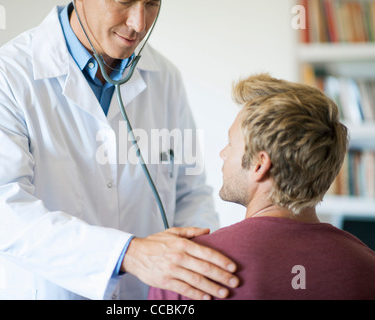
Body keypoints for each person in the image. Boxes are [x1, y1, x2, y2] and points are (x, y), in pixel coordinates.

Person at [0, 0, 239, 300]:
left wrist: (200, 271)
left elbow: (191, 192)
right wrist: (126, 254)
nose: (139, 24)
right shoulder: (4, 78)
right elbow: (2, 213)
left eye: (151, 3)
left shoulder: (164, 77)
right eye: (125, 1)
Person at [148, 74, 375, 300]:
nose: (223, 153)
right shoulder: (366, 266)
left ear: (260, 164)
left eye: (231, 143)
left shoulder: (187, 271)